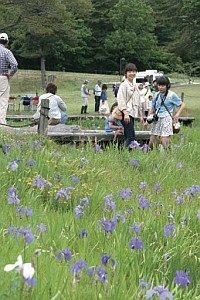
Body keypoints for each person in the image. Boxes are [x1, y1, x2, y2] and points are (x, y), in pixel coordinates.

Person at [147, 76, 185, 149]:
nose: (161, 87)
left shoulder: (171, 95)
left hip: (166, 118)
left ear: (167, 85)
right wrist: (148, 119)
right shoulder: (156, 95)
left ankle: (168, 156)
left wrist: (177, 115)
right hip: (157, 118)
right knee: (152, 141)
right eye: (159, 85)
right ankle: (154, 156)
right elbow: (152, 107)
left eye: (163, 85)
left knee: (164, 139)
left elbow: (182, 105)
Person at [117, 63, 144, 147]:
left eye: (134, 71)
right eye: (130, 71)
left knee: (128, 135)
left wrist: (141, 116)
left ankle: (125, 152)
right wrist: (125, 113)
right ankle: (126, 152)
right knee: (131, 136)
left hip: (133, 113)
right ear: (126, 73)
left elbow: (138, 101)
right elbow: (121, 100)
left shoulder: (135, 85)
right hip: (126, 113)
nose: (132, 73)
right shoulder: (124, 85)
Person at [0, 33, 18, 124]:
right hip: (2, 77)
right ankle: (1, 122)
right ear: (7, 42)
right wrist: (10, 75)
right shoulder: (7, 52)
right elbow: (14, 65)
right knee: (3, 100)